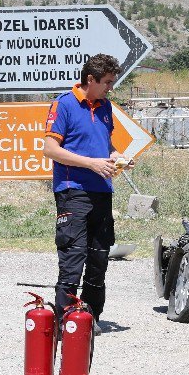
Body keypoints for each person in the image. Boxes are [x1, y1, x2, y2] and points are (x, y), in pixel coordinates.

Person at [42, 54, 133, 329]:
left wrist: (118, 157)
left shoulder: (105, 107)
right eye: (106, 82)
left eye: (113, 82)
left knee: (99, 259)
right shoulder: (64, 104)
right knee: (73, 257)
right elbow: (50, 150)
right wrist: (91, 164)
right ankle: (65, 319)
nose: (110, 87)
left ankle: (88, 319)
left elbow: (104, 146)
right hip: (74, 192)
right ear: (90, 79)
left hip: (102, 192)